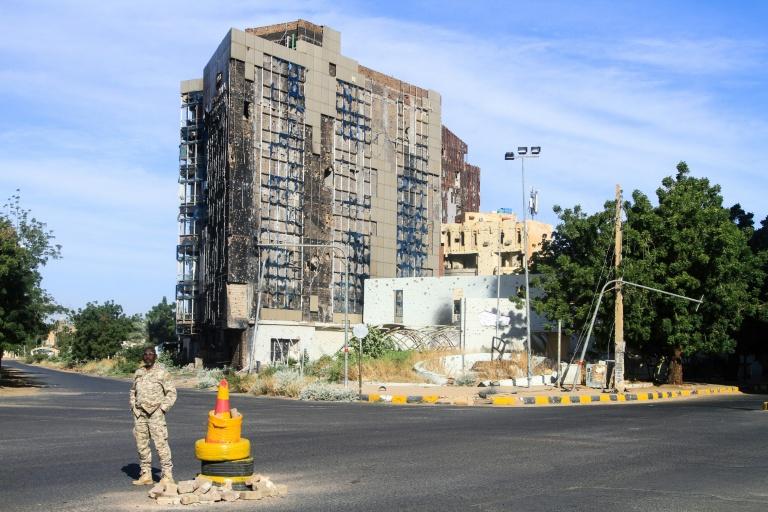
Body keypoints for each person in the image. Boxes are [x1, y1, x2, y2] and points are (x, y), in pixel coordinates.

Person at [129, 346, 177, 485]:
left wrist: (162, 409)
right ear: (143, 357)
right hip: (140, 414)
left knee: (161, 444)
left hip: (155, 414)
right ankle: (146, 474)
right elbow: (132, 391)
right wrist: (133, 406)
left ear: (155, 356)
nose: (148, 356)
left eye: (151, 354)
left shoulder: (162, 373)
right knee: (141, 445)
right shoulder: (139, 372)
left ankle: (167, 475)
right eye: (146, 354)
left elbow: (171, 393)